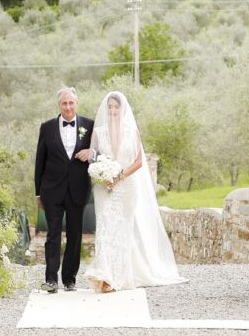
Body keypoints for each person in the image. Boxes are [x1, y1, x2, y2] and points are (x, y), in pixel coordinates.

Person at [83, 91, 186, 292]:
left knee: (122, 231)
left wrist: (119, 176)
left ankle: (119, 277)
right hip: (104, 188)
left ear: (122, 109)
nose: (113, 110)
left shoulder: (132, 132)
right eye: (110, 107)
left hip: (126, 187)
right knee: (105, 230)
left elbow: (139, 162)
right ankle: (104, 276)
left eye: (116, 107)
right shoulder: (98, 132)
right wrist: (102, 175)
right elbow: (93, 158)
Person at [34, 86, 94, 293]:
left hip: (78, 189)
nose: (68, 107)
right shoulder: (47, 127)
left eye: (71, 103)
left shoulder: (90, 125)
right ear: (59, 105)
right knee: (53, 235)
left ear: (76, 104)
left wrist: (91, 152)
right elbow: (39, 162)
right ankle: (51, 279)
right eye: (64, 103)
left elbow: (101, 152)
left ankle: (70, 279)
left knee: (75, 235)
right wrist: (38, 193)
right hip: (52, 190)